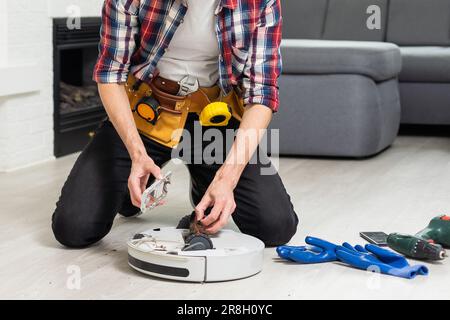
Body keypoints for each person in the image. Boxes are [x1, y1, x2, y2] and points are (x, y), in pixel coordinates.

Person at [52, 0, 298, 248]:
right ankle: (134, 185)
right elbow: (110, 74)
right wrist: (137, 154)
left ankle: (205, 180)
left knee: (275, 226)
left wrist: (227, 178)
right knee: (73, 228)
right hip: (145, 116)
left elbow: (261, 94)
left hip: (214, 122)